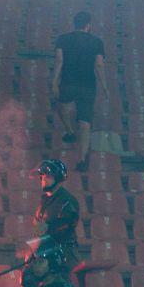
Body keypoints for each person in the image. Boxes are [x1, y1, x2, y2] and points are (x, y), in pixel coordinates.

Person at [52, 11, 108, 171]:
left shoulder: (63, 39)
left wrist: (54, 82)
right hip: (88, 84)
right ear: (88, 25)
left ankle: (70, 131)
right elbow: (99, 65)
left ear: (74, 24)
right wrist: (104, 86)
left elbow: (59, 61)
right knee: (85, 122)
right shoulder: (97, 42)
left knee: (60, 105)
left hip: (68, 82)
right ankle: (82, 159)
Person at [33, 159, 80, 273]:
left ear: (58, 178)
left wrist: (47, 228)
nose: (43, 178)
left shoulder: (67, 200)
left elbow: (68, 224)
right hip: (46, 251)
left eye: (48, 175)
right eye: (42, 175)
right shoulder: (44, 200)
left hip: (64, 253)